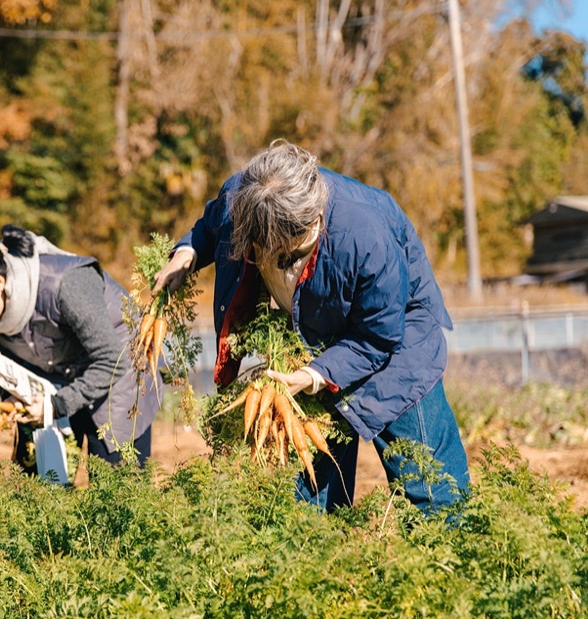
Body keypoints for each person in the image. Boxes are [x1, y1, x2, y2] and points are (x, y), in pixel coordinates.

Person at [152, 139, 470, 513]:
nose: (284, 263)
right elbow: (211, 227)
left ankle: (449, 548)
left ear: (314, 218)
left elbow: (378, 335)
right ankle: (317, 554)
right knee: (312, 485)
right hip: (310, 333)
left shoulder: (365, 237)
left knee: (428, 481)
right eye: (273, 255)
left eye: (295, 254)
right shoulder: (243, 198)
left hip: (397, 343)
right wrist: (187, 252)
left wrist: (319, 373)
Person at [0, 225, 161, 471]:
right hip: (61, 383)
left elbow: (111, 359)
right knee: (46, 480)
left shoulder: (65, 283)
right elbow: (6, 367)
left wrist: (54, 405)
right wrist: (13, 397)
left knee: (117, 487)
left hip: (119, 376)